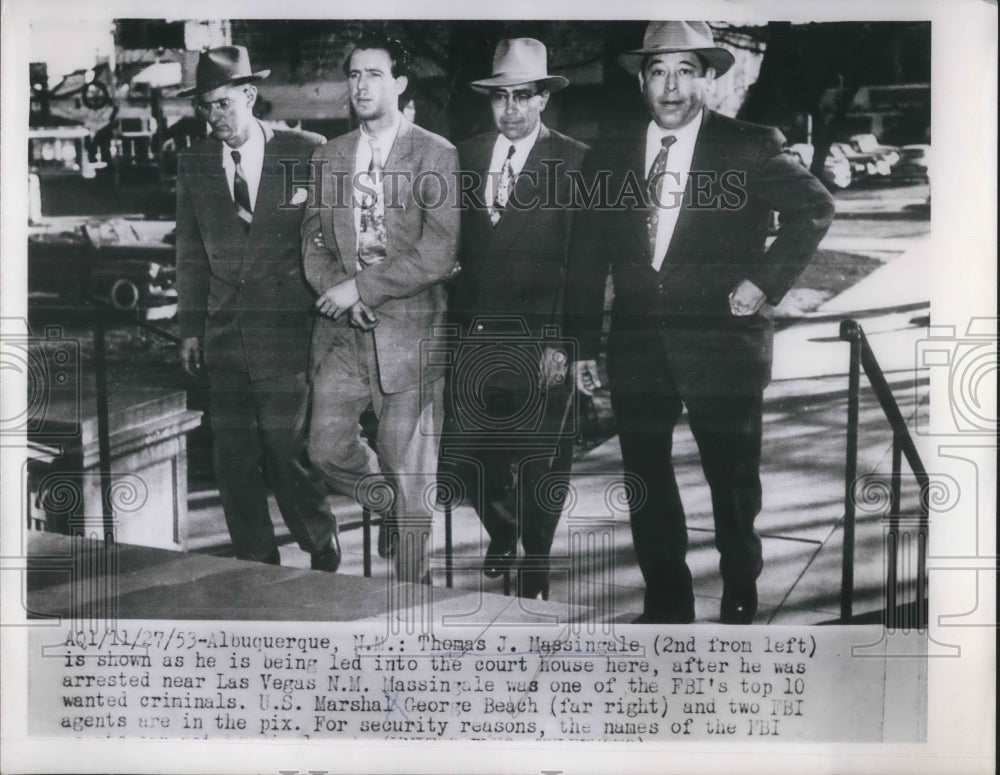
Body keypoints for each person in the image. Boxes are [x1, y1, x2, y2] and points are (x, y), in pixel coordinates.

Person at [565, 22, 835, 624]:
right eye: (658, 71)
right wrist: (582, 342)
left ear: (708, 78)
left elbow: (814, 208)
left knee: (732, 479)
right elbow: (586, 257)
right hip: (638, 346)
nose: (671, 86)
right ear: (641, 80)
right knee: (646, 477)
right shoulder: (608, 156)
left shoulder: (750, 144)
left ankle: (740, 583)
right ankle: (667, 598)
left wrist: (763, 282)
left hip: (723, 344)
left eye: (686, 70)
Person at [175, 46, 340, 572]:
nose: (214, 117)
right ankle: (255, 559)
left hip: (289, 332)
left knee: (286, 449)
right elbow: (189, 252)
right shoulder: (196, 163)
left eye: (223, 104)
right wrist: (190, 328)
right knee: (233, 458)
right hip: (224, 334)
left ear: (249, 95)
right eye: (206, 108)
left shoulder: (306, 151)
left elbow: (332, 239)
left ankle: (319, 539)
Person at [302, 35, 459, 586]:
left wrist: (363, 289)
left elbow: (439, 251)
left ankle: (413, 603)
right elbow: (314, 243)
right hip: (346, 335)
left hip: (410, 337)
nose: (361, 85)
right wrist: (341, 295)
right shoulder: (330, 156)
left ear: (400, 83)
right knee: (324, 448)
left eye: (373, 74)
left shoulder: (435, 153)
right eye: (353, 75)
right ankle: (388, 504)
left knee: (410, 472)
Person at [447, 38, 587, 600]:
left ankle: (537, 558)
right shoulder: (463, 155)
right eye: (500, 98)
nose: (511, 110)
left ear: (543, 100)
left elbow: (583, 265)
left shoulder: (576, 161)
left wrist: (567, 343)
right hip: (474, 336)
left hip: (541, 338)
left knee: (540, 460)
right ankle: (504, 527)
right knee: (471, 458)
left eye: (522, 97)